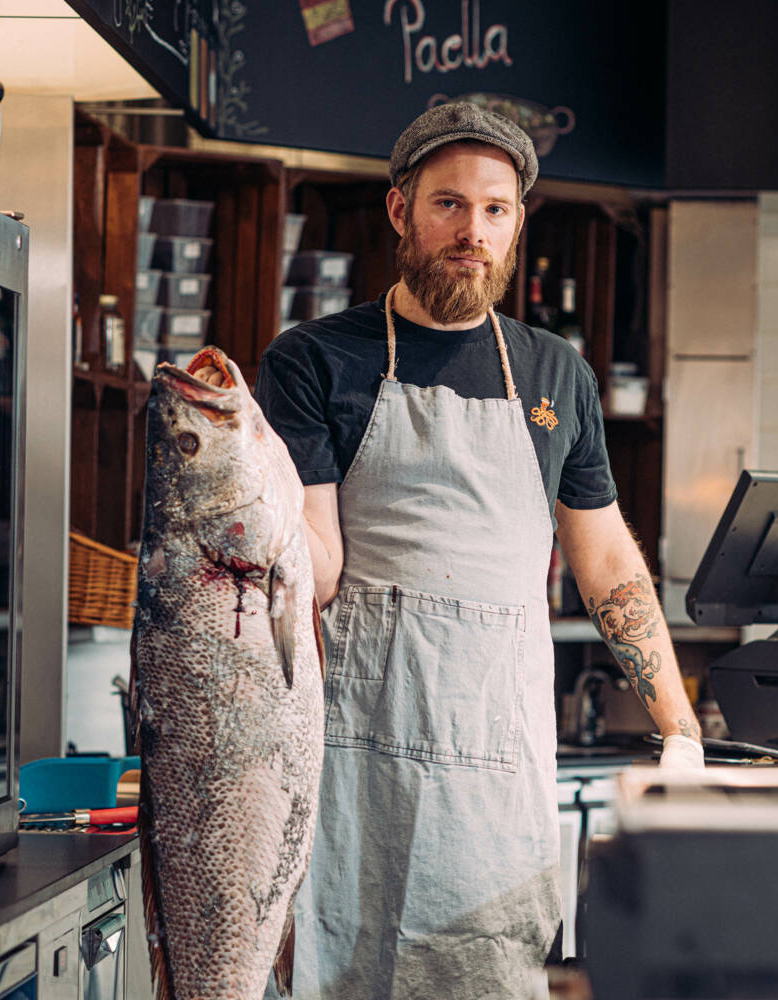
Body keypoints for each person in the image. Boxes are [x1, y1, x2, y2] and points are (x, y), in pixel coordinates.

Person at [256, 102, 703, 1000]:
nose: (473, 232)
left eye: (494, 210)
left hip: (497, 785)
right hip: (350, 772)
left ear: (517, 224)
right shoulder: (315, 360)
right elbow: (322, 567)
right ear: (400, 212)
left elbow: (608, 562)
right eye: (450, 205)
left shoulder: (556, 375)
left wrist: (679, 728)